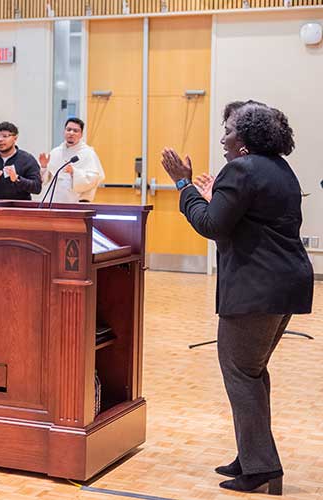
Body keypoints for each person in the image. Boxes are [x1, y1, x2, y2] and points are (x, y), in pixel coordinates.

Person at [161, 101, 311, 495]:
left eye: (228, 130)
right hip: (285, 285)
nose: (223, 138)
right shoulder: (280, 168)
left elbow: (211, 225)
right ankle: (252, 458)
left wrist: (184, 186)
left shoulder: (241, 169)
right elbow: (239, 220)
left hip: (255, 290)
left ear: (243, 141)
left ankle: (261, 470)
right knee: (253, 372)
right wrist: (216, 197)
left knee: (241, 374)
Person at [38, 117, 105, 203]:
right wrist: (44, 167)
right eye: (68, 129)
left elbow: (95, 178)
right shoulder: (55, 152)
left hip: (75, 200)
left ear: (81, 134)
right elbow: (45, 180)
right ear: (64, 131)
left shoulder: (88, 153)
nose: (71, 133)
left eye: (75, 131)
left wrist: (74, 172)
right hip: (54, 199)